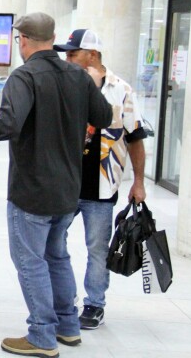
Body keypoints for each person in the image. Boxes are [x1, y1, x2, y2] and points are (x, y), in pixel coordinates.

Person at [0, 13, 112, 358]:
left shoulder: (24, 76)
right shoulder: (78, 76)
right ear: (52, 38)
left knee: (30, 259)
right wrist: (94, 85)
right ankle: (68, 327)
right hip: (69, 186)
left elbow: (9, 122)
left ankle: (41, 334)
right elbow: (104, 118)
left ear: (22, 40)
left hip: (32, 188)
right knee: (56, 254)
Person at [54, 29, 147, 330]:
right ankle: (62, 301)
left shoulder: (120, 90)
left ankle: (95, 304)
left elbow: (135, 138)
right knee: (54, 241)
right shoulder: (64, 84)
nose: (67, 59)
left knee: (97, 247)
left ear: (92, 55)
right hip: (65, 182)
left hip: (102, 185)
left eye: (72, 54)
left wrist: (139, 183)